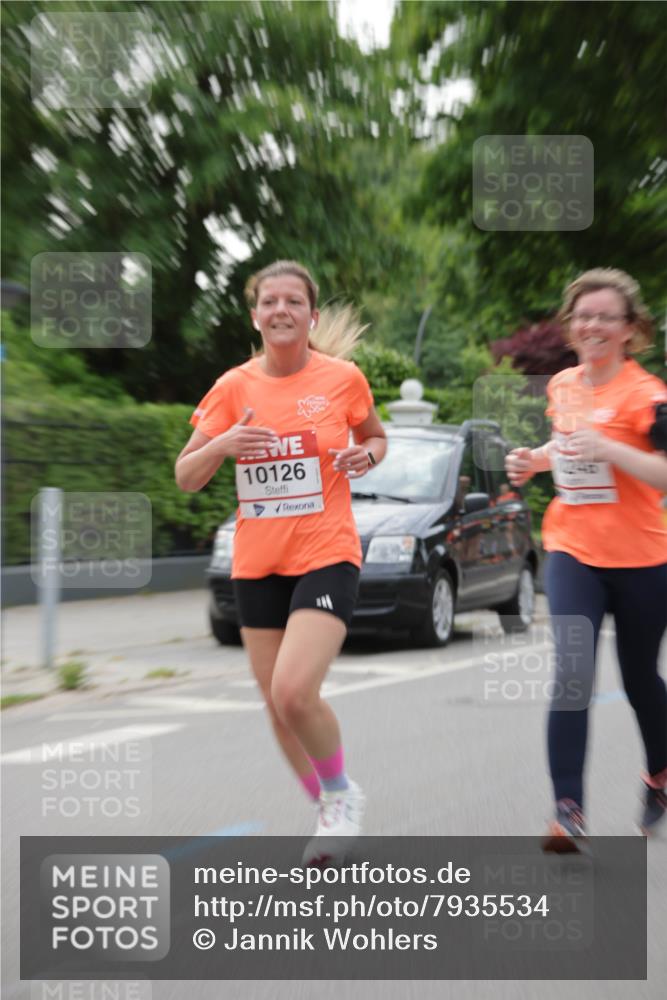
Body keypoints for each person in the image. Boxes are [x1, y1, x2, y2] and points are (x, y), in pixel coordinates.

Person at [175, 260, 386, 863]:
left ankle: (341, 796)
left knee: (295, 692)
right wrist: (222, 444)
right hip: (257, 562)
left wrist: (364, 459)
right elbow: (187, 476)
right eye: (270, 301)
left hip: (326, 552)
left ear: (310, 315)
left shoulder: (343, 379)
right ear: (255, 315)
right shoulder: (233, 387)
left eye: (294, 301)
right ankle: (327, 806)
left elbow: (375, 437)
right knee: (275, 704)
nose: (281, 310)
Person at [505, 268, 667, 851]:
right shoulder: (563, 386)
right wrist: (534, 460)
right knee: (572, 676)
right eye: (584, 315)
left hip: (644, 556)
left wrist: (614, 449)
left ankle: (661, 773)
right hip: (573, 548)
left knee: (639, 679)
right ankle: (567, 811)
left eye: (606, 316)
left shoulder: (649, 395)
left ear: (629, 330)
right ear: (571, 327)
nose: (593, 324)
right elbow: (568, 448)